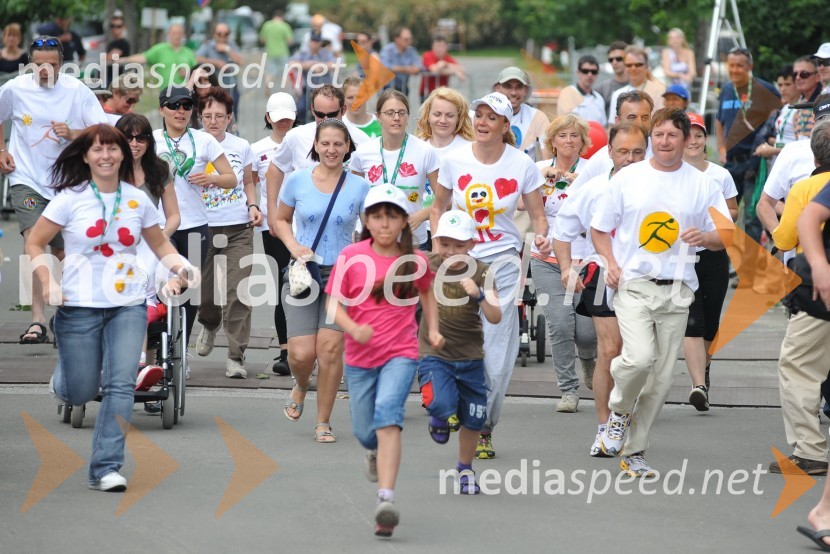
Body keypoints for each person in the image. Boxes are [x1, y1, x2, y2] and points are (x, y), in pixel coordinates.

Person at [27, 124, 193, 492]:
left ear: (122, 155)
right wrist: (50, 283)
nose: (106, 156)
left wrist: (180, 266)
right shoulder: (69, 200)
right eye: (98, 150)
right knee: (80, 391)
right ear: (85, 156)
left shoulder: (137, 200)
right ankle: (64, 381)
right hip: (79, 306)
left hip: (127, 305)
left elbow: (159, 245)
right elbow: (35, 244)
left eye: (112, 149)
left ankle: (105, 467)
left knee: (119, 386)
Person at [591, 108, 729, 476]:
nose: (664, 141)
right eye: (659, 134)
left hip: (679, 289)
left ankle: (635, 452)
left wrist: (706, 237)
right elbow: (600, 229)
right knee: (637, 358)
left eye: (672, 135)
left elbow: (726, 235)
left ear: (687, 140)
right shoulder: (628, 178)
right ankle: (619, 412)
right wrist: (611, 263)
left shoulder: (702, 183)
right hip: (634, 283)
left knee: (662, 378)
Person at [431, 92, 551, 459]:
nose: (482, 122)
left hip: (501, 263)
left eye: (491, 117)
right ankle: (452, 403)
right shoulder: (453, 159)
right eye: (478, 115)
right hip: (459, 260)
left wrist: (542, 234)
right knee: (452, 343)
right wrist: (440, 250)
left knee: (497, 356)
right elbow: (438, 207)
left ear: (505, 126)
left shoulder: (522, 165)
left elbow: (538, 214)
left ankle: (484, 427)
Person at [326, 184, 443, 537]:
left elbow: (428, 294)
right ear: (366, 220)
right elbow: (333, 304)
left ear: (404, 222)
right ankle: (373, 453)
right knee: (366, 431)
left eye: (392, 216)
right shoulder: (351, 255)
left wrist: (433, 331)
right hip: (360, 358)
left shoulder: (416, 260)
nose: (384, 223)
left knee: (389, 418)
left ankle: (385, 501)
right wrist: (352, 328)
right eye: (377, 216)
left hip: (401, 354)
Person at [0, 36, 109, 345]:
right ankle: (36, 319)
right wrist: (1, 149)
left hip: (66, 182)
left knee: (61, 251)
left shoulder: (77, 92)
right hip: (26, 177)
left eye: (52, 64)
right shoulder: (16, 88)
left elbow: (102, 131)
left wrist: (74, 133)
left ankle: (60, 312)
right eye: (39, 65)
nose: (45, 70)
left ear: (62, 64)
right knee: (33, 240)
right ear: (30, 63)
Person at [552, 122, 648, 456]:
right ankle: (605, 426)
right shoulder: (593, 188)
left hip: (647, 278)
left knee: (639, 357)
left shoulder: (656, 188)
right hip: (602, 274)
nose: (630, 159)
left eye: (637, 152)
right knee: (611, 349)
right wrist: (566, 268)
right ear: (609, 152)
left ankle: (627, 417)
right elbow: (562, 231)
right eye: (623, 152)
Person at [275, 119, 370, 443]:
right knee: (301, 354)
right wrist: (293, 246)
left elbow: (371, 229)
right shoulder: (297, 181)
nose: (331, 150)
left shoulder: (359, 186)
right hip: (304, 271)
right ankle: (301, 385)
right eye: (325, 143)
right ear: (315, 145)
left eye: (338, 144)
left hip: (344, 275)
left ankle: (323, 421)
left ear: (347, 148)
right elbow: (280, 219)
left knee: (329, 349)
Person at [418, 209, 500, 495]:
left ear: (472, 245)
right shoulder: (424, 263)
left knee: (475, 418)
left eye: (459, 245)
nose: (451, 251)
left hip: (471, 357)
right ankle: (438, 415)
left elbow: (495, 316)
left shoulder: (482, 271)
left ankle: (465, 470)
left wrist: (478, 294)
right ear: (436, 241)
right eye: (445, 244)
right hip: (434, 354)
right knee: (441, 403)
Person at [767, 119, 830, 476]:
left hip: (817, 291)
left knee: (799, 366)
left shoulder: (807, 188)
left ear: (813, 153)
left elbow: (786, 239)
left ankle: (809, 450)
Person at [154, 86, 237, 347]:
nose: (181, 111)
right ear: (162, 109)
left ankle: (180, 352)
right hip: (158, 226)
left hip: (195, 225)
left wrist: (211, 178)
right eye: (174, 105)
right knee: (159, 287)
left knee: (188, 290)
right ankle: (159, 349)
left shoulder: (204, 140)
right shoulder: (151, 139)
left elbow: (232, 178)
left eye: (187, 106)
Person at [530, 114, 596, 413]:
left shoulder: (593, 172)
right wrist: (540, 234)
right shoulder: (539, 169)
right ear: (552, 140)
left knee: (585, 331)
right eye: (563, 135)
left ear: (583, 141)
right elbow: (524, 205)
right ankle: (568, 390)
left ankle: (588, 356)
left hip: (584, 256)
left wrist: (574, 181)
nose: (569, 141)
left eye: (575, 136)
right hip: (546, 256)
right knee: (559, 323)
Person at [193, 88, 261, 379]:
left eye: (219, 116)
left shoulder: (241, 146)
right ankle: (209, 324)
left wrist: (254, 205)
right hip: (202, 228)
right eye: (207, 115)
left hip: (238, 229)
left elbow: (248, 182)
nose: (213, 121)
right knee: (205, 294)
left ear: (230, 118)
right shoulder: (192, 145)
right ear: (200, 117)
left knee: (238, 292)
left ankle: (236, 355)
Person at [115, 113, 181, 394]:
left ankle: (142, 367)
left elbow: (174, 217)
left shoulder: (159, 170)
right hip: (115, 244)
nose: (134, 143)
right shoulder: (108, 169)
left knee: (144, 290)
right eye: (128, 137)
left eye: (141, 137)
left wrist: (157, 240)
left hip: (152, 243)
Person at [681, 112, 739, 411]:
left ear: (706, 140)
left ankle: (703, 371)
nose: (693, 140)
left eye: (699, 135)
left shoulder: (720, 174)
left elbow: (733, 210)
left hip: (714, 254)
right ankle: (697, 383)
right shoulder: (670, 174)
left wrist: (713, 224)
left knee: (712, 320)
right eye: (688, 134)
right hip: (681, 257)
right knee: (694, 317)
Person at [265, 85, 371, 235]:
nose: (325, 120)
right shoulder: (296, 137)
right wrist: (272, 211)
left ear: (343, 110)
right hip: (305, 228)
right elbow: (275, 167)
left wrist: (361, 228)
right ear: (312, 110)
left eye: (332, 114)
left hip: (347, 228)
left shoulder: (361, 140)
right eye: (320, 114)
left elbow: (366, 185)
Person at [350, 89, 440, 249]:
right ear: (378, 117)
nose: (396, 118)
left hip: (412, 241)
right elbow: (353, 198)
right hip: (372, 240)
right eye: (390, 113)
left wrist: (421, 215)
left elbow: (444, 200)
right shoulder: (363, 152)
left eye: (401, 112)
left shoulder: (426, 151)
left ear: (407, 116)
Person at [715, 46, 780, 246]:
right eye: (731, 66)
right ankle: (725, 264)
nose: (734, 70)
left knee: (752, 217)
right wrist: (721, 149)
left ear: (749, 66)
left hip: (755, 163)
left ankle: (752, 271)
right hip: (732, 163)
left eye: (739, 66)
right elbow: (719, 121)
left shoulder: (765, 89)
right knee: (723, 214)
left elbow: (779, 117)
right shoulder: (726, 89)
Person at [252, 92, 296, 375]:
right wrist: (254, 208)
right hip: (274, 228)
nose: (282, 122)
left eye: (287, 117)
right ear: (268, 117)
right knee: (283, 287)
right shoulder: (257, 148)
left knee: (308, 287)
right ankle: (285, 352)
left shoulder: (306, 141)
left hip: (304, 225)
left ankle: (309, 349)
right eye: (277, 117)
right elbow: (249, 183)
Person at [572, 90, 654, 189]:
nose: (640, 123)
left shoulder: (661, 155)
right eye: (632, 117)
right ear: (617, 121)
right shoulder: (601, 159)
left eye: (645, 117)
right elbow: (572, 196)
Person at [494, 66, 550, 158]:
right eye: (508, 86)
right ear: (497, 88)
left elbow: (547, 155)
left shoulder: (537, 117)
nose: (513, 93)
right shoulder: (482, 114)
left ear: (526, 90)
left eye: (519, 87)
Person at [120, 24, 196, 90]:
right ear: (168, 34)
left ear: (183, 35)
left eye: (179, 33)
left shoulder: (189, 53)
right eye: (174, 33)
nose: (176, 36)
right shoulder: (160, 50)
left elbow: (197, 74)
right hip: (166, 95)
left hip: (185, 95)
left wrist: (188, 74)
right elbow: (143, 57)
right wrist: (123, 59)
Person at [196, 23, 245, 119]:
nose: (222, 36)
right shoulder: (208, 45)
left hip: (230, 86)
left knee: (231, 114)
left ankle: (232, 132)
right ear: (214, 34)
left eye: (225, 34)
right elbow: (198, 58)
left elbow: (241, 61)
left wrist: (227, 49)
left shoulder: (232, 45)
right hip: (213, 87)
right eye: (219, 34)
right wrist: (215, 62)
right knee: (212, 112)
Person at [607, 46, 666, 125]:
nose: (633, 68)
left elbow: (662, 122)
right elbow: (613, 126)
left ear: (646, 66)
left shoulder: (660, 90)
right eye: (629, 65)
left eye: (638, 64)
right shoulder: (617, 94)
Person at [287, 32, 337, 124]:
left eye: (317, 41)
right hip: (308, 90)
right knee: (300, 109)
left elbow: (334, 64)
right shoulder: (303, 53)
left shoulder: (326, 53)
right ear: (309, 41)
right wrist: (308, 65)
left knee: (330, 109)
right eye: (313, 41)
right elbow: (291, 63)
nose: (315, 43)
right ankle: (300, 127)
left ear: (320, 42)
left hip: (325, 89)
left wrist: (322, 66)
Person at [753, 65, 799, 164]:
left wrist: (772, 150)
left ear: (797, 83)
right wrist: (770, 144)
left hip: (793, 163)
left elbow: (800, 146)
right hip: (779, 162)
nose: (783, 89)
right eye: (780, 85)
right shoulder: (786, 108)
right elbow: (784, 140)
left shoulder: (802, 110)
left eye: (787, 84)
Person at [416, 86, 475, 155]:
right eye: (437, 114)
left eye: (450, 116)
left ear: (459, 118)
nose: (443, 120)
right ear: (428, 115)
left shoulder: (469, 149)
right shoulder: (417, 147)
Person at [557, 55, 607, 126]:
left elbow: (603, 126)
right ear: (578, 72)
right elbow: (564, 124)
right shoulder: (567, 94)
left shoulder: (599, 99)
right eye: (585, 71)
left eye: (594, 71)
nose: (590, 75)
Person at [419, 36, 466, 103]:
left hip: (442, 93)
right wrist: (454, 71)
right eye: (437, 46)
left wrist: (445, 64)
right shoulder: (427, 55)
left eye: (442, 46)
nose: (439, 49)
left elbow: (461, 68)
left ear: (446, 47)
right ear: (432, 47)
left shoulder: (447, 57)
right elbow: (434, 69)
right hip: (427, 93)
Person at [259, 9, 293, 93]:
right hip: (283, 52)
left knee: (270, 71)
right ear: (282, 17)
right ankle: (285, 92)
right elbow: (290, 41)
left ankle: (268, 84)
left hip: (270, 52)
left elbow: (262, 39)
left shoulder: (267, 25)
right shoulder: (285, 26)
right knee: (285, 73)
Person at [380, 28, 422, 96]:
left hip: (403, 88)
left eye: (410, 39)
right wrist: (406, 69)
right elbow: (385, 66)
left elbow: (419, 66)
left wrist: (415, 69)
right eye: (406, 39)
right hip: (387, 87)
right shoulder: (388, 50)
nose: (409, 41)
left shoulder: (411, 51)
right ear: (397, 39)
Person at [595, 41, 629, 118]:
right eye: (611, 59)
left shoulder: (637, 85)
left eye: (619, 59)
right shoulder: (604, 88)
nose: (614, 62)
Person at [793, 56, 823, 140]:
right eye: (795, 74)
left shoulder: (824, 102)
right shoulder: (799, 104)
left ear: (817, 77)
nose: (798, 78)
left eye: (804, 74)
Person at [104, 14, 131, 87]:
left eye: (118, 26)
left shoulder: (124, 43)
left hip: (118, 81)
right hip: (107, 79)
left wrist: (107, 57)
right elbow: (104, 59)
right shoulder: (111, 43)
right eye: (112, 26)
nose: (115, 28)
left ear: (123, 27)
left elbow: (109, 57)